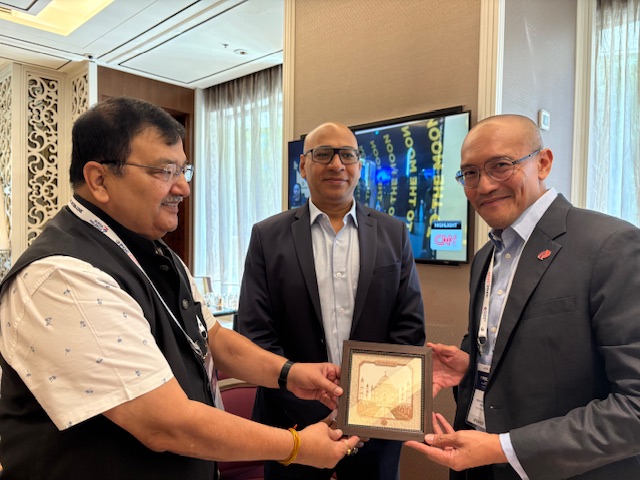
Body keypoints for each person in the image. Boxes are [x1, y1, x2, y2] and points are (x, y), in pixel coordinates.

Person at [0, 97, 360, 480]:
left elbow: (213, 338)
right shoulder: (63, 276)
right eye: (165, 171)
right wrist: (297, 446)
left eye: (184, 170)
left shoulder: (155, 251)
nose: (183, 188)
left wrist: (290, 373)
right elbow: (164, 423)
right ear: (99, 180)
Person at [406, 114, 640, 479]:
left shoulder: (610, 246)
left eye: (501, 166)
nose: (484, 186)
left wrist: (503, 448)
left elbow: (634, 406)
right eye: (470, 173)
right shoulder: (486, 256)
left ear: (543, 163)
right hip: (473, 461)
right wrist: (472, 366)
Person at [237, 121, 426, 480]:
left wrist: (364, 413)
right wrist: (315, 410)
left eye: (347, 155)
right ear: (303, 166)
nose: (337, 164)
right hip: (291, 427)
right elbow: (255, 334)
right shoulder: (267, 236)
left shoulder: (393, 232)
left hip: (376, 425)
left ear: (359, 166)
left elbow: (408, 330)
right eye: (323, 154)